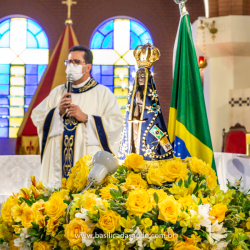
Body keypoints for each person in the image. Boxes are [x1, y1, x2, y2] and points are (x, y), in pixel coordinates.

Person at [31, 46, 123, 184]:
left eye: (76, 62)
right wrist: (57, 112)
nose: (71, 65)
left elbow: (117, 124)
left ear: (88, 67)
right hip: (57, 164)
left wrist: (87, 118)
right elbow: (37, 116)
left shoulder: (103, 94)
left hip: (86, 161)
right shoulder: (57, 92)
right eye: (68, 62)